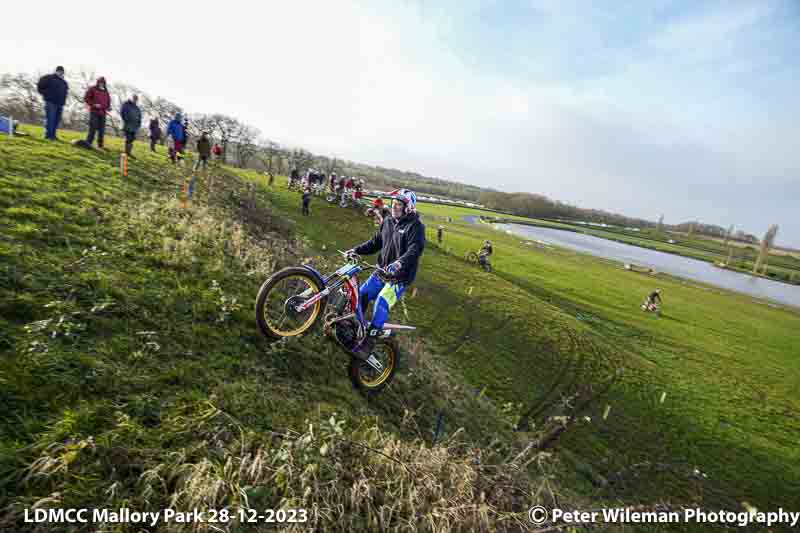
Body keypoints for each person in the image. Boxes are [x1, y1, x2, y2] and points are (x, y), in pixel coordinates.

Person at [346, 189, 425, 359]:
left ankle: (368, 344)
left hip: (399, 278)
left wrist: (399, 263)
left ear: (408, 208)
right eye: (394, 203)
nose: (395, 206)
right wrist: (357, 250)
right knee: (359, 297)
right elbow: (375, 242)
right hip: (381, 271)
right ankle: (355, 328)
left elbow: (415, 249)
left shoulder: (416, 226)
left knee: (381, 303)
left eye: (399, 204)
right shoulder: (388, 221)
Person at [37, 66, 69, 140]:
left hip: (60, 104)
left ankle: (53, 135)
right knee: (50, 119)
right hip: (50, 102)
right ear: (56, 71)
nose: (61, 72)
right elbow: (40, 86)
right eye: (59, 71)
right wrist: (46, 94)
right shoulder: (49, 78)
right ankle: (48, 136)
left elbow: (65, 93)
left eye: (62, 71)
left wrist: (63, 101)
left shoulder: (64, 82)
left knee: (56, 120)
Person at [83, 77, 111, 148]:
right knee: (93, 128)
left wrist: (108, 107)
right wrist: (93, 104)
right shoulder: (92, 89)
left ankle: (100, 145)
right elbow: (86, 98)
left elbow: (108, 102)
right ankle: (88, 143)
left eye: (103, 83)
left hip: (103, 113)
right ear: (98, 82)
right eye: (100, 82)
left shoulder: (106, 92)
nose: (101, 84)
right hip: (94, 112)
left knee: (102, 130)